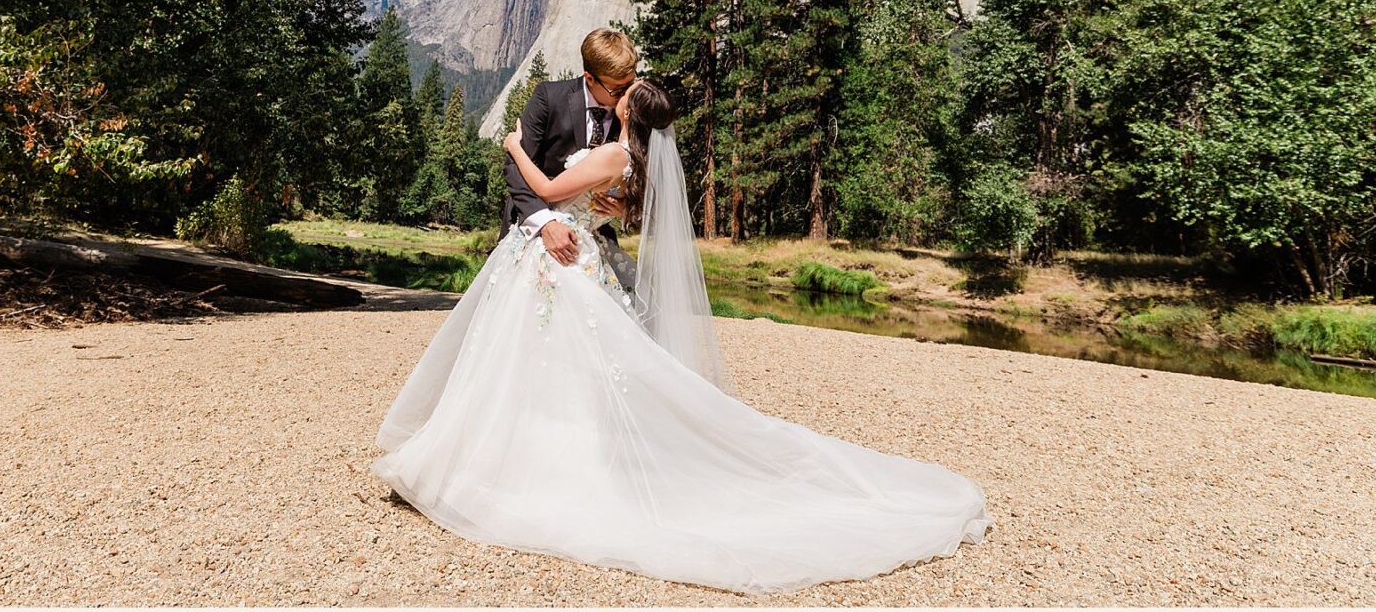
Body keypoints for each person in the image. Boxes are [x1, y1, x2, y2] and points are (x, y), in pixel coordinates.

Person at [370, 59, 992, 594]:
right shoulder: (625, 154)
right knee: (552, 368)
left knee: (553, 365)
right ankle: (530, 453)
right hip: (565, 254)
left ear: (627, 110)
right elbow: (595, 197)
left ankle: (529, 467)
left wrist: (511, 147)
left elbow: (549, 184)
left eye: (628, 90)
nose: (621, 92)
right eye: (622, 84)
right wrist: (599, 203)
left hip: (567, 260)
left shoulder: (614, 150)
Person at [498, 27, 641, 291]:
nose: (626, 95)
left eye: (630, 84)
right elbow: (515, 166)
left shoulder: (633, 115)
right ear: (590, 78)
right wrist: (545, 224)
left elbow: (645, 181)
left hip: (596, 243)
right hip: (534, 232)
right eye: (617, 89)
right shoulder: (549, 98)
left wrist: (626, 209)